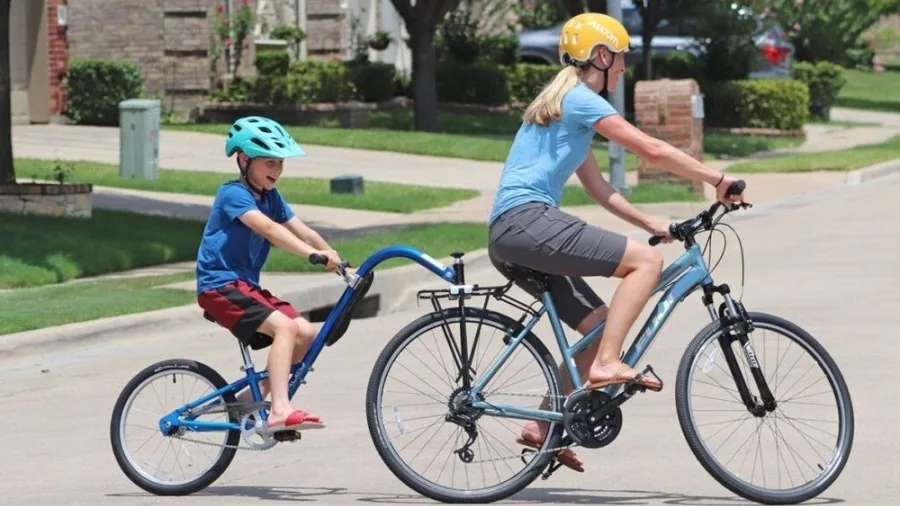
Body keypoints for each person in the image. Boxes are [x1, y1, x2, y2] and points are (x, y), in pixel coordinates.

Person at [486, 13, 745, 471]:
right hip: (527, 221)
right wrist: (717, 179)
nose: (623, 68)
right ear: (601, 56)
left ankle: (542, 425)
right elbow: (652, 149)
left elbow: (599, 189)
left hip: (515, 231)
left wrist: (654, 224)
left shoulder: (567, 107)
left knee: (601, 324)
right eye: (620, 58)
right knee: (644, 264)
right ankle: (606, 365)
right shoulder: (581, 100)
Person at [196, 116, 344, 433]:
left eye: (280, 163)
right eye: (269, 163)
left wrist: (341, 264)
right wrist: (312, 256)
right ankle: (279, 410)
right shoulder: (233, 194)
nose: (276, 171)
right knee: (285, 329)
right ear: (244, 159)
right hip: (218, 286)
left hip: (244, 286)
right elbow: (269, 230)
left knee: (308, 335)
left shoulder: (271, 197)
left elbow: (302, 230)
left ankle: (251, 403)